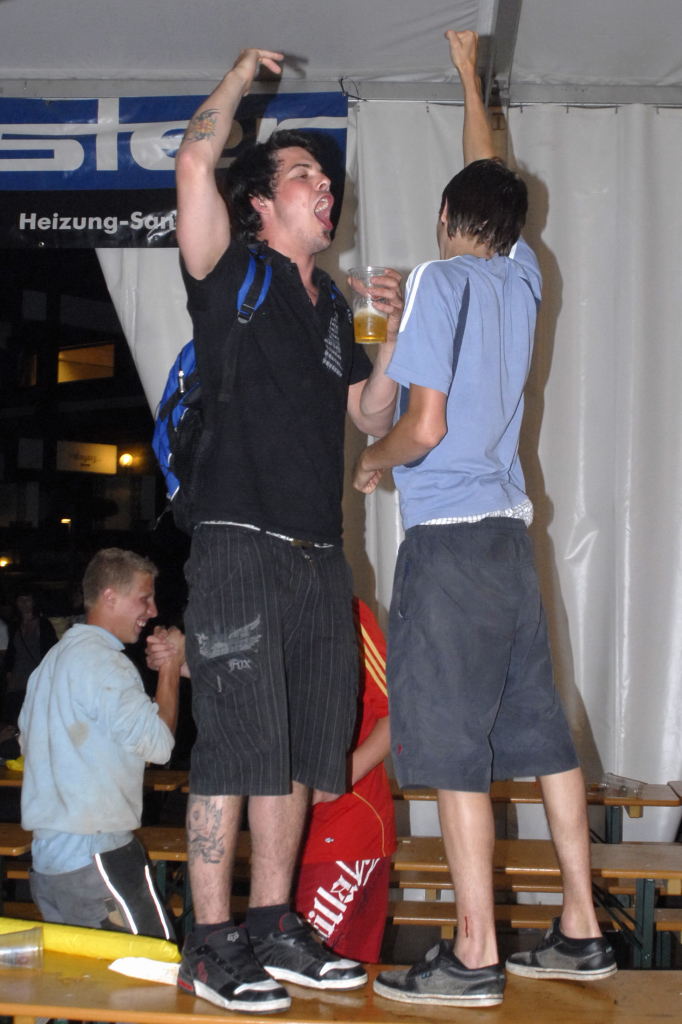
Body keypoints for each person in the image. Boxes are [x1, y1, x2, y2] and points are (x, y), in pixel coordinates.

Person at [353, 29, 616, 1010]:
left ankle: (472, 953)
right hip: (510, 544)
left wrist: (373, 463)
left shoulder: (439, 279)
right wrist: (470, 77)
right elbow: (488, 176)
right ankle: (581, 928)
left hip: (450, 548)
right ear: (510, 223)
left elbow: (418, 427)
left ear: (442, 217)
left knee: (452, 746)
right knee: (541, 734)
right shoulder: (521, 276)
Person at [173, 45, 403, 1013]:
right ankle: (209, 940)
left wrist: (390, 334)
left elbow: (371, 417)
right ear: (262, 203)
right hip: (236, 541)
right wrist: (239, 80)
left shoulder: (332, 308)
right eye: (304, 174)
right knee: (236, 745)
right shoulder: (230, 269)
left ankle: (273, 925)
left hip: (318, 558)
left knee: (304, 749)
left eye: (326, 178)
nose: (325, 187)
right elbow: (195, 161)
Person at [147, 598, 397, 966]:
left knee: (321, 976)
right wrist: (180, 661)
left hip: (345, 831)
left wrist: (341, 777)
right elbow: (253, 686)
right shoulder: (259, 610)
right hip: (280, 840)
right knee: (284, 971)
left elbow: (400, 714)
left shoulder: (345, 614)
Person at [19, 548, 182, 938]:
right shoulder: (106, 663)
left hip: (49, 865)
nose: (153, 610)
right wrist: (171, 667)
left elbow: (30, 744)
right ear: (110, 597)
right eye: (144, 598)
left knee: (86, 976)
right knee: (156, 966)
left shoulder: (51, 662)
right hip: (96, 860)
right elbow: (159, 745)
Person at [4, 590, 58, 729]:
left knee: (37, 721)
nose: (24, 603)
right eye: (20, 600)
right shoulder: (14, 626)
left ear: (33, 601)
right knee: (17, 721)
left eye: (27, 599)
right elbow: (11, 652)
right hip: (17, 681)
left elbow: (52, 651)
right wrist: (8, 673)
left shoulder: (43, 624)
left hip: (37, 680)